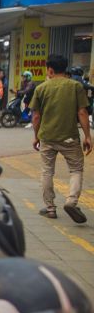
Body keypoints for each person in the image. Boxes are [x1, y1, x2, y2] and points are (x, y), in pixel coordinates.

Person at [31, 54, 92, 223]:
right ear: (65, 69)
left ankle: (50, 208)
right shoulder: (76, 86)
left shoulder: (41, 88)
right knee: (76, 169)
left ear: (49, 69)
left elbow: (36, 116)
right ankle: (71, 201)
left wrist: (36, 137)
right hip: (70, 138)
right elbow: (82, 112)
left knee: (47, 171)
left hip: (47, 138)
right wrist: (88, 136)